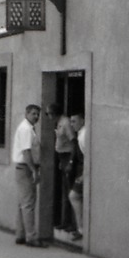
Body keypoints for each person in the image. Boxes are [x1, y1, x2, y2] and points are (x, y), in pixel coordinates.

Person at [11, 104, 45, 248]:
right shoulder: (26, 129)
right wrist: (34, 170)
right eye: (33, 114)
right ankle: (31, 237)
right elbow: (26, 152)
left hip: (23, 168)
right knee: (28, 204)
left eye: (37, 114)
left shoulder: (28, 128)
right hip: (26, 168)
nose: (36, 116)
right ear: (26, 113)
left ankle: (21, 235)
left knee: (22, 203)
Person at [46, 102, 76, 232]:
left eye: (49, 113)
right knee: (65, 191)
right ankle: (65, 221)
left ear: (54, 113)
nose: (48, 116)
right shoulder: (59, 123)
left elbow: (74, 142)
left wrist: (70, 162)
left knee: (70, 191)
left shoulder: (66, 123)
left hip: (68, 156)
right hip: (62, 158)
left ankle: (72, 223)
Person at [66, 112, 86, 242]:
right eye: (71, 121)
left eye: (74, 121)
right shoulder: (81, 134)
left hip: (84, 172)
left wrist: (84, 175)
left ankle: (81, 229)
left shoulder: (84, 136)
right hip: (81, 171)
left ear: (82, 120)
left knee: (73, 196)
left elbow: (89, 156)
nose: (72, 125)